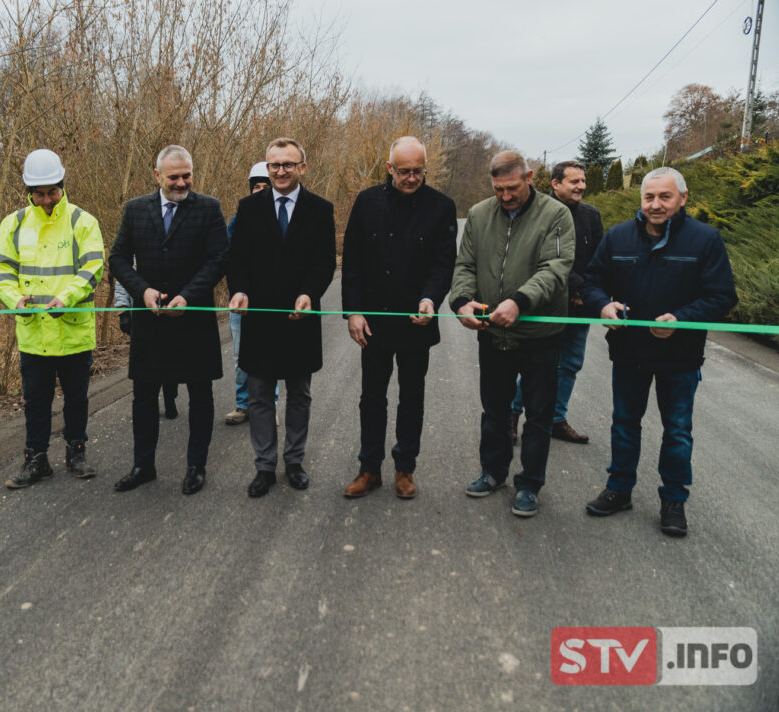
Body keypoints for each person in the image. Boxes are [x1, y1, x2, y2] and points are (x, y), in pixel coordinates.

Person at [581, 167, 737, 537]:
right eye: (649, 197)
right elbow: (592, 281)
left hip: (680, 356)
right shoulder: (618, 237)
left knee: (678, 430)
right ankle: (619, 489)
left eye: (664, 197)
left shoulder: (705, 239)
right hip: (629, 352)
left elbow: (722, 296)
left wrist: (681, 319)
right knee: (624, 423)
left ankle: (674, 500)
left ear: (683, 198)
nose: (655, 204)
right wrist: (603, 305)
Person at [450, 151, 574, 517]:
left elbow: (557, 268)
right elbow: (466, 264)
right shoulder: (478, 214)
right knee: (495, 409)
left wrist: (520, 301)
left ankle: (530, 484)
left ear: (529, 176)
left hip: (540, 334)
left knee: (538, 414)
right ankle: (493, 471)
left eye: (512, 188)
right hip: (493, 333)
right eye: (498, 189)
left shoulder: (556, 215)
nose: (505, 196)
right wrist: (461, 302)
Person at [340, 136, 457, 499]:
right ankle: (368, 468)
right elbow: (353, 263)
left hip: (415, 321)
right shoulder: (367, 202)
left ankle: (405, 468)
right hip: (373, 320)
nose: (411, 178)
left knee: (412, 396)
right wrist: (353, 311)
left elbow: (443, 263)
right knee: (371, 397)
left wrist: (430, 299)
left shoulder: (441, 206)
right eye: (404, 171)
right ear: (389, 168)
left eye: (418, 171)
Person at [108, 145, 228, 495]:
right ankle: (143, 465)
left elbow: (219, 259)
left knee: (200, 395)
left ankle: (196, 467)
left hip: (194, 320)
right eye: (173, 177)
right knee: (144, 396)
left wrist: (189, 297)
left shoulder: (209, 208)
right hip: (150, 320)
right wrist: (141, 291)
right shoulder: (134, 210)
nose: (181, 182)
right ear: (157, 175)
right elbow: (117, 258)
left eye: (186, 175)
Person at [0, 149, 104, 489]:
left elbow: (92, 268)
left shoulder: (83, 221)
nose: (46, 199)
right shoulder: (15, 223)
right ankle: (36, 459)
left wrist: (65, 299)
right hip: (34, 332)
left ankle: (76, 451)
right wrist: (14, 299)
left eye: (52, 191)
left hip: (72, 329)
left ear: (62, 185)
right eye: (39, 193)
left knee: (76, 398)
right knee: (35, 400)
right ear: (28, 191)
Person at [228, 137, 336, 498]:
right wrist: (239, 290)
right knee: (258, 395)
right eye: (274, 165)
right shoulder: (249, 207)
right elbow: (238, 260)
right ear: (267, 167)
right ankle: (264, 466)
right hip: (259, 319)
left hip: (300, 318)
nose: (281, 171)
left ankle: (294, 461)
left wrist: (309, 293)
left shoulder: (321, 209)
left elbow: (324, 262)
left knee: (299, 394)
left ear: (302, 167)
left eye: (288, 164)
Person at [510, 160, 604, 444]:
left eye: (583, 181)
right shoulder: (539, 213)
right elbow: (544, 258)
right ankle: (512, 414)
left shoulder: (591, 215)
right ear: (555, 184)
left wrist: (588, 293)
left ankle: (556, 419)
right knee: (538, 364)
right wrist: (577, 288)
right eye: (574, 181)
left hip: (581, 305)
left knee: (571, 363)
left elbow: (599, 259)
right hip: (547, 303)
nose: (581, 186)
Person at [224, 161, 273, 426]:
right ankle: (243, 405)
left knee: (269, 356)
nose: (261, 191)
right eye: (257, 186)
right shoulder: (237, 220)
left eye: (267, 186)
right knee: (241, 357)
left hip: (271, 304)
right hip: (241, 302)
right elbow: (230, 259)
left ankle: (268, 405)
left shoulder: (283, 220)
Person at [113, 263, 179, 419]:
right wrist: (123, 310)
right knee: (147, 362)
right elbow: (122, 281)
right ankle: (149, 403)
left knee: (170, 359)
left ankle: (170, 398)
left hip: (168, 312)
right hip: (140, 317)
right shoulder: (132, 253)